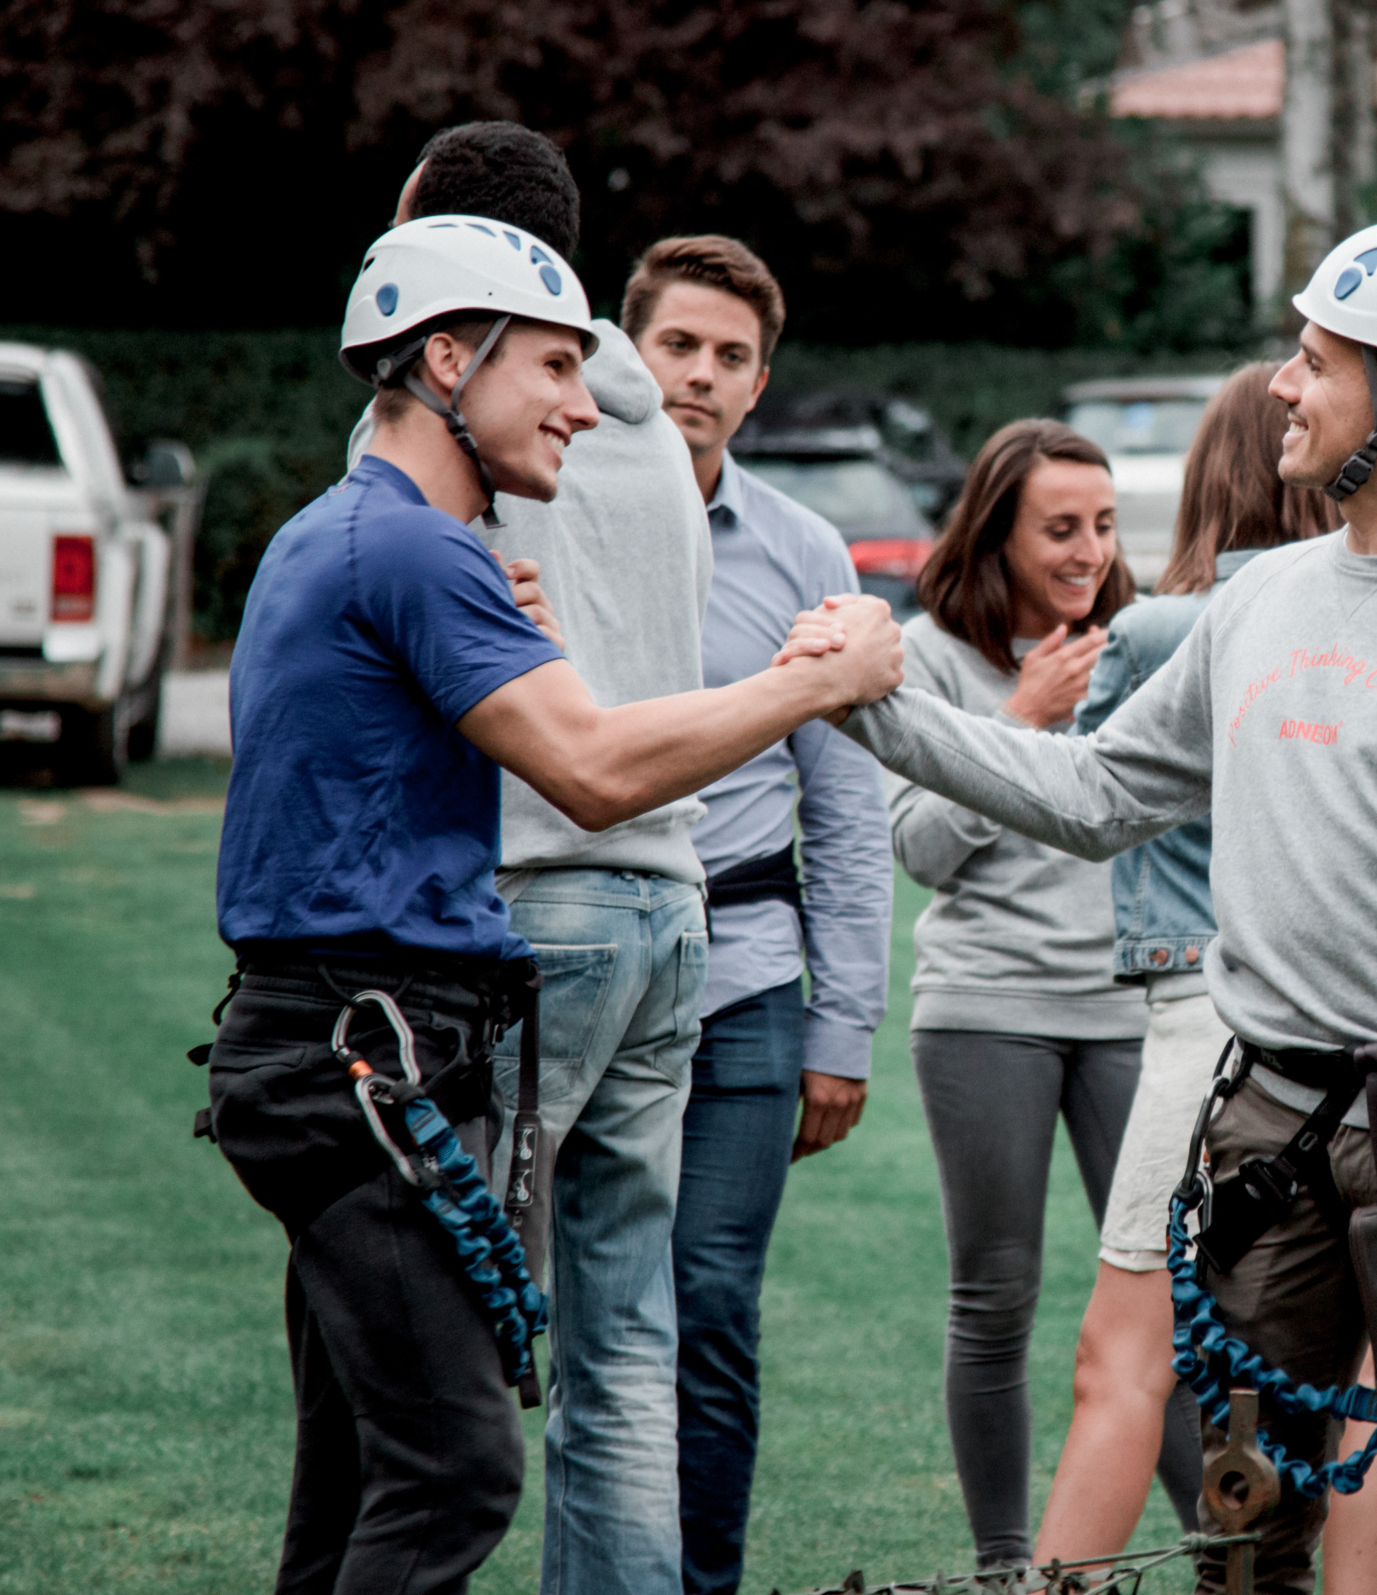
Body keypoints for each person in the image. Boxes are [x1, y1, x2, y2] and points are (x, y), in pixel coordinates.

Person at [790, 214, 1377, 1594]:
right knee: (1244, 1537)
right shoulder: (1257, 604)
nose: (1280, 388)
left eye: (1312, 360)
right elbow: (1093, 795)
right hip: (1271, 1142)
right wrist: (874, 708)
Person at [205, 216, 902, 1595]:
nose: (588, 404)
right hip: (367, 1054)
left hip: (333, 1043)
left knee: (355, 1464)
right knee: (456, 1467)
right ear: (449, 360)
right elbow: (594, 767)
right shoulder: (413, 553)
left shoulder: (352, 534)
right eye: (552, 367)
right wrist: (813, 681)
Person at [345, 122, 723, 1595]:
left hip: (529, 895)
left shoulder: (466, 422)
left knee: (428, 1326)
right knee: (626, 1345)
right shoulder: (661, 442)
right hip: (668, 902)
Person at [620, 236, 897, 1595]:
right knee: (597, 1309)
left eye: (731, 356)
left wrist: (840, 1022)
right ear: (630, 352)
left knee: (710, 1305)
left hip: (745, 980)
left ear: (760, 384)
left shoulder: (803, 547)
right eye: (680, 344)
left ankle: (702, 1585)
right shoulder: (552, 515)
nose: (702, 374)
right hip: (578, 973)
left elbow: (844, 809)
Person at [1026, 361, 1337, 1569]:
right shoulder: (1354, 611)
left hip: (1200, 1013)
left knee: (1123, 1361)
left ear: (1215, 476)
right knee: (1333, 1377)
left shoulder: (1164, 628)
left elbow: (1089, 797)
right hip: (1347, 1023)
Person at [887, 419, 1158, 1573]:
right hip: (985, 1008)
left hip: (1125, 1013)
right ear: (996, 533)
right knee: (994, 1302)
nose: (1088, 549)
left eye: (1101, 526)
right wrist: (1019, 725)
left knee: (1161, 1306)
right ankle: (1006, 1565)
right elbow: (921, 849)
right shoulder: (931, 655)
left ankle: (1221, 1545)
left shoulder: (1138, 644)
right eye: (1060, 528)